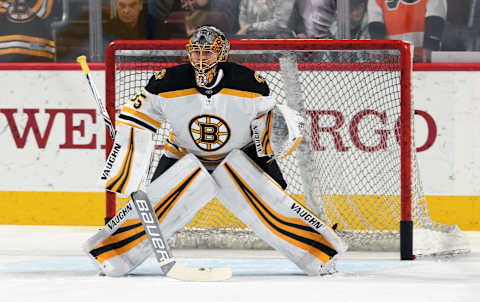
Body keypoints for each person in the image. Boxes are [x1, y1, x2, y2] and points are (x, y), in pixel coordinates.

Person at [83, 25, 347, 277]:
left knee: (277, 201)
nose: (200, 58)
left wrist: (272, 148)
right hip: (184, 154)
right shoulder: (165, 82)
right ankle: (112, 252)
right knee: (153, 207)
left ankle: (320, 252)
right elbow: (135, 115)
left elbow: (271, 123)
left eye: (207, 51)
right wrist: (131, 158)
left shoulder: (249, 83)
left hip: (239, 156)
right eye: (195, 51)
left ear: (222, 53)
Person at [367, 0, 447, 62]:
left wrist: (430, 47)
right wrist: (377, 47)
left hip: (423, 58)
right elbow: (375, 23)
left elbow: (436, 18)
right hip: (392, 60)